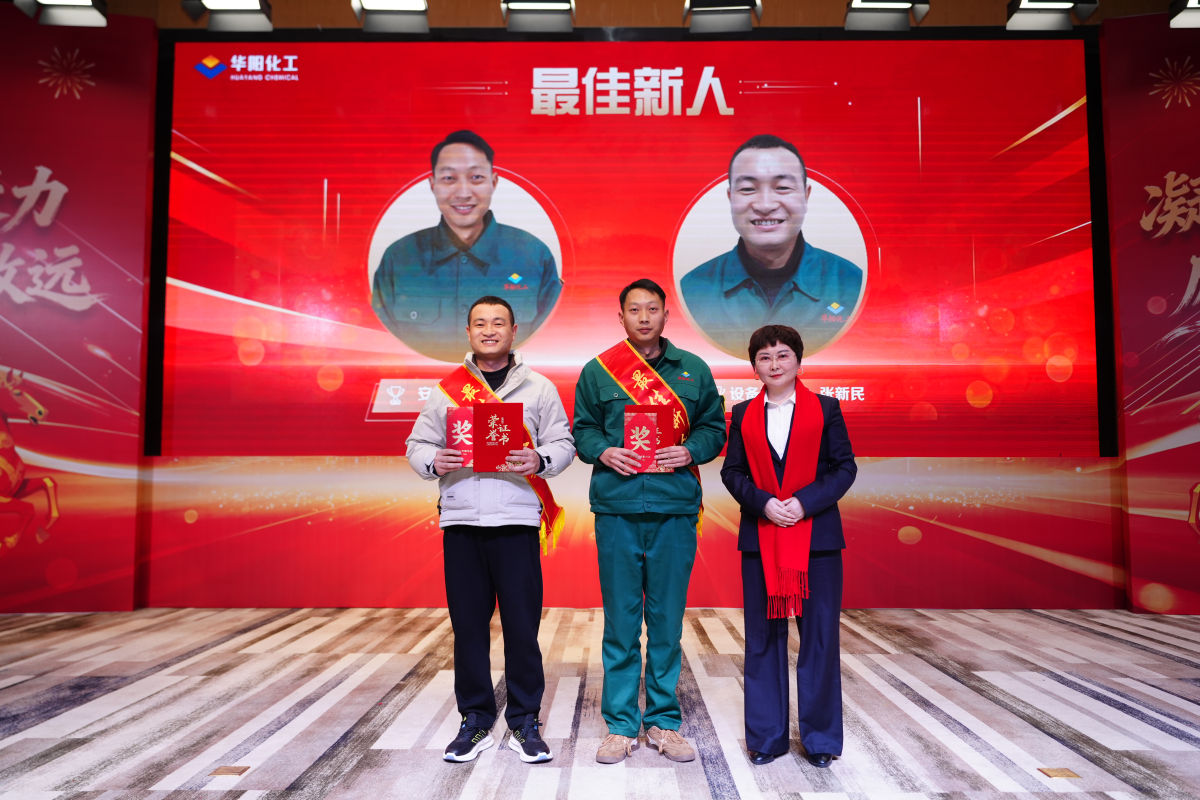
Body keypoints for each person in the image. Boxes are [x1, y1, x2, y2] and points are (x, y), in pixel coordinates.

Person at [406, 295, 575, 764]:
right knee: (468, 629)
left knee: (522, 628)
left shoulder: (538, 387)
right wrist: (433, 459)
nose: (489, 330)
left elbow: (563, 442)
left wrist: (538, 458)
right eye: (479, 323)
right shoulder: (447, 391)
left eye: (498, 322)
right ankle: (476, 720)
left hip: (516, 520)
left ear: (513, 331)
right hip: (462, 521)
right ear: (468, 332)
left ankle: (524, 721)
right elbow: (417, 444)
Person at [572, 278, 727, 765]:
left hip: (674, 508)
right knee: (620, 622)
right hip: (617, 508)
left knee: (666, 622)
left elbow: (714, 427)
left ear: (665, 315)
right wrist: (603, 450)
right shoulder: (599, 371)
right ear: (620, 316)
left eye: (652, 309)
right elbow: (582, 429)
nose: (644, 317)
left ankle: (663, 721)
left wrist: (691, 450)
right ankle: (620, 726)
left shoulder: (693, 369)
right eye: (634, 309)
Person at [719, 324, 857, 769]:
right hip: (762, 539)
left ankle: (820, 741)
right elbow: (732, 472)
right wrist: (763, 503)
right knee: (762, 639)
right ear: (753, 365)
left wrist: (803, 503)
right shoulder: (743, 414)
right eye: (764, 357)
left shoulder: (826, 409)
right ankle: (766, 738)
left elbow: (844, 468)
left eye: (782, 355)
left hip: (816, 541)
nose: (774, 364)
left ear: (798, 361)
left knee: (819, 640)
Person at [372, 130, 563, 362]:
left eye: (476, 177)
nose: (463, 193)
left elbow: (556, 339)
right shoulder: (398, 259)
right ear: (432, 184)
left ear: (493, 182)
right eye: (449, 178)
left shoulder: (534, 256)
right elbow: (379, 344)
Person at [680, 134, 863, 357]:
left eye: (783, 187)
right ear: (730, 198)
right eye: (748, 189)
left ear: (806, 196)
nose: (765, 205)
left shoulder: (851, 284)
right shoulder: (692, 290)